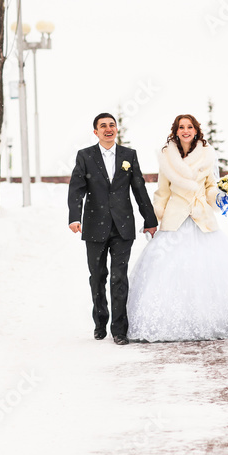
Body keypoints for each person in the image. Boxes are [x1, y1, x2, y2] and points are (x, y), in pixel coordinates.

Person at [126, 114, 228, 343]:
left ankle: (210, 319)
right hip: (175, 219)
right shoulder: (167, 157)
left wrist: (222, 195)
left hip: (201, 218)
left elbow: (209, 189)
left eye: (189, 127)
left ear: (196, 131)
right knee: (167, 272)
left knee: (206, 272)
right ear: (175, 131)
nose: (185, 130)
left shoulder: (207, 156)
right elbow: (163, 191)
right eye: (181, 127)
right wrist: (155, 218)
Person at [68, 113, 157, 344]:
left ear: (116, 129)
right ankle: (100, 322)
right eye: (103, 126)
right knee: (97, 277)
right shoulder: (85, 156)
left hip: (122, 226)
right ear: (95, 132)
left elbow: (139, 189)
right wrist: (74, 217)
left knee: (119, 278)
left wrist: (149, 220)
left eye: (112, 125)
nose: (108, 129)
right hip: (94, 226)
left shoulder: (129, 155)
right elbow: (76, 189)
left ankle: (119, 329)